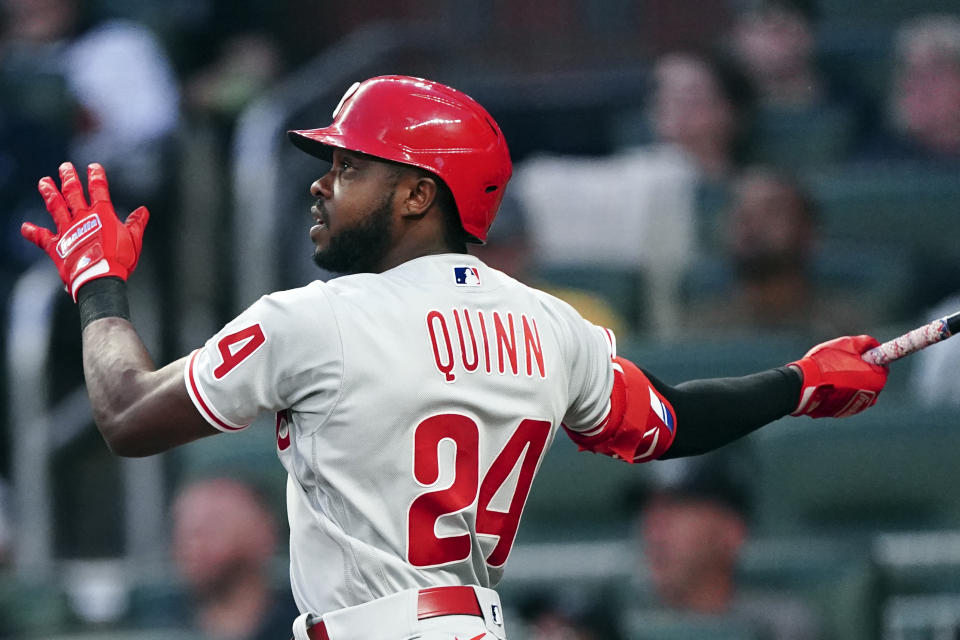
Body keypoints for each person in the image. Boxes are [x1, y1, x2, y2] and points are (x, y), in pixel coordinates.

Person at [19, 75, 888, 640]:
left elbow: (126, 414)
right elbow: (676, 419)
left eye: (347, 164)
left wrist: (98, 286)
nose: (320, 184)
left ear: (415, 192)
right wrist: (799, 383)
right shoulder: (550, 325)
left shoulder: (313, 318)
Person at [632, 446, 822, 640]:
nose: (655, 528)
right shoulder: (624, 621)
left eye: (677, 509)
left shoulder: (777, 626)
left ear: (731, 531)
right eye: (649, 510)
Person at [171, 477, 299, 640]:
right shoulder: (152, 622)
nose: (193, 541)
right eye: (184, 526)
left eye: (213, 525)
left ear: (264, 533)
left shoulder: (305, 623)